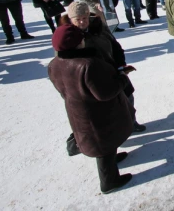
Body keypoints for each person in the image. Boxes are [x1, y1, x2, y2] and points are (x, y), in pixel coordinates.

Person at [47, 24, 134, 194]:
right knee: (103, 142)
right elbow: (105, 92)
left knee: (104, 141)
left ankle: (112, 159)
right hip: (98, 113)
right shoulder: (87, 65)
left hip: (78, 111)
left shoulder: (54, 64)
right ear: (77, 44)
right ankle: (110, 181)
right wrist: (122, 78)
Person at [60, 0, 144, 131]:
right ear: (70, 19)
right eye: (78, 19)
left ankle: (131, 123)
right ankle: (116, 132)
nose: (82, 22)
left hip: (113, 69)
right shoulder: (67, 35)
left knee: (127, 96)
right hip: (93, 77)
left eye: (85, 18)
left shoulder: (99, 26)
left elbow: (115, 46)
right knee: (107, 106)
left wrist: (121, 63)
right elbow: (64, 61)